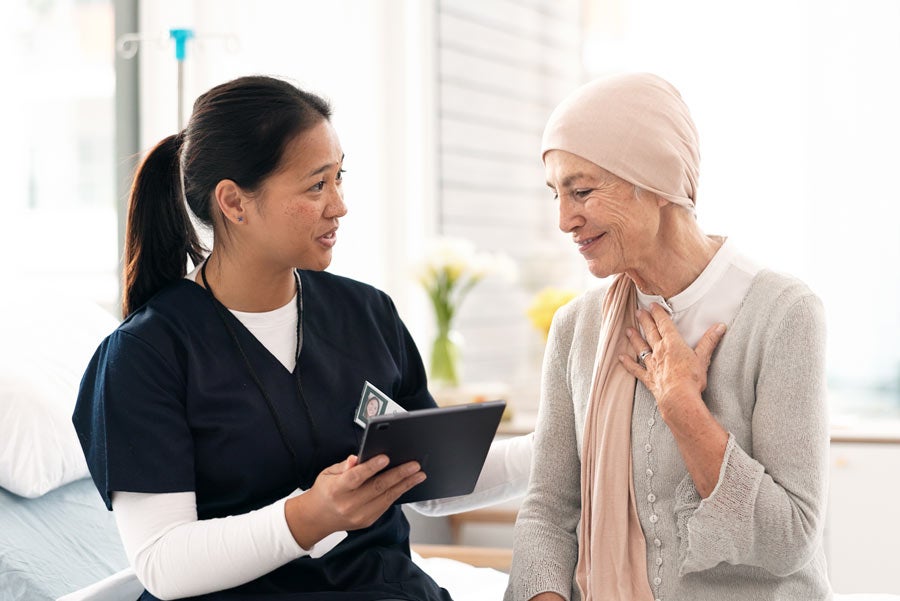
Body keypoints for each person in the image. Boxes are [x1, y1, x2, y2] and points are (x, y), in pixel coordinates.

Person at [72, 75, 530, 601]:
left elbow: (433, 479)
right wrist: (307, 517)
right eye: (316, 185)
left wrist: (572, 444)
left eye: (339, 178)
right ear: (234, 203)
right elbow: (163, 562)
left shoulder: (365, 314)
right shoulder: (147, 355)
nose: (339, 205)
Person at [504, 73, 831, 601]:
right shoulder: (576, 329)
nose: (564, 219)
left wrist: (683, 407)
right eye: (556, 195)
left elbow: (789, 539)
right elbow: (547, 510)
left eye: (582, 190)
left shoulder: (783, 314)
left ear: (654, 183)